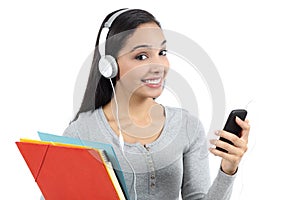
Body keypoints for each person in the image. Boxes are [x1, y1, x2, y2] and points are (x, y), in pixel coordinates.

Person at [63, 8, 250, 200]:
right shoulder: (81, 132)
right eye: (142, 56)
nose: (159, 65)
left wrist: (228, 169)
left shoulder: (187, 125)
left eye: (162, 52)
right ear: (109, 65)